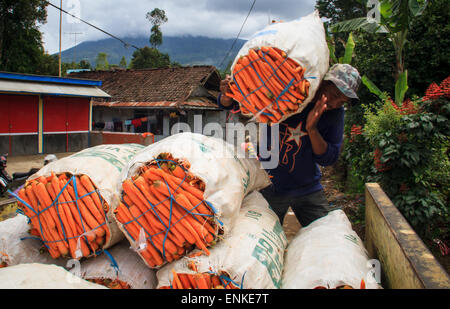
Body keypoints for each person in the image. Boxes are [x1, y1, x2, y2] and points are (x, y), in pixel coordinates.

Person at [218, 63, 361, 227]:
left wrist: (312, 129)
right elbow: (243, 104)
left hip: (307, 187)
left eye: (342, 101)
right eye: (334, 95)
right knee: (256, 233)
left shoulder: (335, 114)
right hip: (269, 183)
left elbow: (328, 158)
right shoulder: (292, 93)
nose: (335, 103)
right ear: (323, 83)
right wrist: (227, 97)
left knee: (324, 232)